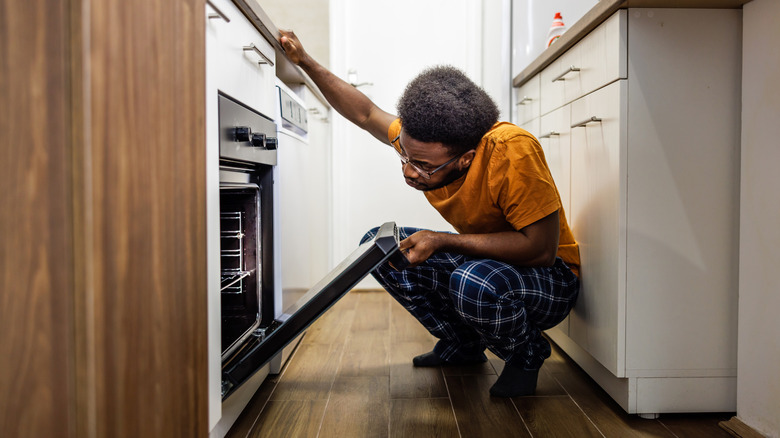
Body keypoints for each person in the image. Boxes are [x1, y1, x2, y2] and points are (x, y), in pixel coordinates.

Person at [279, 30, 580, 397]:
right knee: (382, 248)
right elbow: (365, 112)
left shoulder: (512, 152)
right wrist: (304, 60)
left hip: (551, 279)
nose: (408, 170)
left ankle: (525, 355)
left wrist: (441, 241)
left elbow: (540, 250)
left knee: (474, 282)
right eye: (404, 156)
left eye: (422, 165)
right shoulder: (424, 138)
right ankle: (464, 345)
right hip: (490, 263)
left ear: (466, 158)